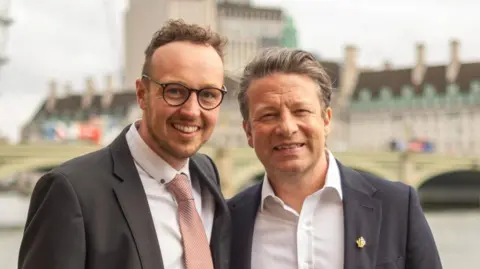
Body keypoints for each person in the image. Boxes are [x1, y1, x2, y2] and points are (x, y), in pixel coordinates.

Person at [18, 19, 231, 269]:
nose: (192, 111)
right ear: (142, 94)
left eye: (208, 95)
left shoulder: (206, 173)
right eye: (174, 91)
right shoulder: (71, 192)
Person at [228, 47, 442, 269]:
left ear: (327, 120)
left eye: (301, 111)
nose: (287, 127)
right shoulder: (228, 222)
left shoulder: (397, 206)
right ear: (248, 132)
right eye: (268, 115)